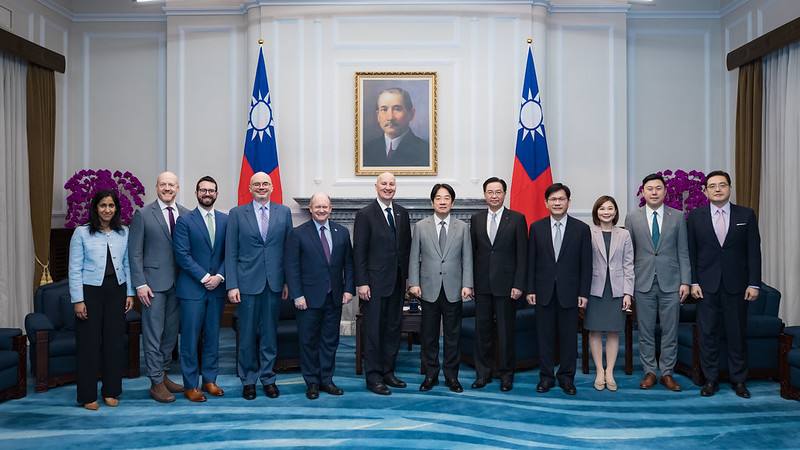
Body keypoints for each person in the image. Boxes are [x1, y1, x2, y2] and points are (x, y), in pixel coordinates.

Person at [688, 170, 761, 399]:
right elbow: (691, 253)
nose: (717, 189)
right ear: (705, 191)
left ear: (730, 188)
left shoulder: (746, 215)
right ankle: (710, 380)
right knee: (708, 334)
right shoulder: (695, 217)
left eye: (722, 185)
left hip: (737, 286)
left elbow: (754, 253)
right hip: (706, 286)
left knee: (736, 333)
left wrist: (754, 283)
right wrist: (693, 281)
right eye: (712, 186)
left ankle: (739, 380)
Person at [225, 172, 292, 400]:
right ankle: (248, 380)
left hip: (274, 283)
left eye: (265, 184)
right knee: (246, 334)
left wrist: (286, 282)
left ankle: (268, 378)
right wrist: (232, 285)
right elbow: (230, 252)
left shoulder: (284, 212)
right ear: (250, 188)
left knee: (269, 334)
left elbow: (287, 251)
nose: (261, 187)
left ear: (272, 187)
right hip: (246, 284)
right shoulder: (236, 214)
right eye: (257, 184)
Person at [68, 190, 134, 410]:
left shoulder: (124, 232)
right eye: (103, 205)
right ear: (95, 208)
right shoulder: (82, 233)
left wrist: (130, 293)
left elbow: (127, 265)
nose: (107, 210)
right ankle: (87, 395)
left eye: (111, 206)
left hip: (117, 290)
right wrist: (78, 300)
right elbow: (74, 269)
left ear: (116, 208)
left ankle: (111, 390)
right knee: (89, 344)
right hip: (90, 292)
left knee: (114, 343)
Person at [625, 173, 691, 392]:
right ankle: (650, 372)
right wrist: (629, 285)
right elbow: (629, 255)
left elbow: (683, 252)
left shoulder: (678, 217)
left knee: (670, 331)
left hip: (671, 283)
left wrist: (686, 281)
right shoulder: (632, 217)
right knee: (644, 331)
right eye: (649, 188)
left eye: (658, 188)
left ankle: (668, 373)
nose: (654, 192)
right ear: (643, 192)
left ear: (665, 191)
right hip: (642, 283)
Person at [285, 193, 355, 400]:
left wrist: (348, 289)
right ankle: (312, 382)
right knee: (308, 341)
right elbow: (292, 267)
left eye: (325, 207)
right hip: (307, 299)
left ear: (331, 208)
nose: (321, 210)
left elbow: (348, 264)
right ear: (310, 209)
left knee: (330, 341)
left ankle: (327, 379)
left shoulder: (341, 233)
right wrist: (297, 295)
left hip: (334, 297)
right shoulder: (298, 234)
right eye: (317, 207)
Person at [129, 171, 190, 403]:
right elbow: (134, 252)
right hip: (152, 285)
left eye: (171, 185)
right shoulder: (143, 215)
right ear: (156, 187)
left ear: (177, 188)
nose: (167, 188)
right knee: (153, 334)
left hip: (180, 284)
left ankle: (163, 374)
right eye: (163, 184)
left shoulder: (185, 214)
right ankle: (155, 382)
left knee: (171, 334)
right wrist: (140, 283)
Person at [526, 183, 591, 396]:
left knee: (568, 339)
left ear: (568, 202)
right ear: (546, 203)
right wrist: (530, 289)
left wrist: (583, 293)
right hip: (543, 292)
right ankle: (546, 377)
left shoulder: (581, 229)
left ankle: (566, 378)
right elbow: (531, 262)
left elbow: (586, 265)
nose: (557, 203)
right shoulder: (536, 228)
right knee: (544, 338)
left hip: (570, 293)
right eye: (553, 199)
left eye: (561, 199)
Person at [408, 183, 473, 393]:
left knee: (453, 336)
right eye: (438, 198)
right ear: (432, 202)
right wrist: (414, 283)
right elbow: (413, 258)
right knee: (429, 336)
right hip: (428, 289)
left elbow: (467, 259)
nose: (442, 201)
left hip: (454, 288)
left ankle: (452, 377)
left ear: (452, 202)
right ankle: (430, 375)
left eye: (446, 198)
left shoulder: (462, 227)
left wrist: (467, 284)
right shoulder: (420, 226)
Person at [353, 172, 412, 395]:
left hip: (397, 282)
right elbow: (359, 251)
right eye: (384, 184)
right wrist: (362, 282)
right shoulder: (365, 214)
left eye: (391, 184)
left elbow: (405, 249)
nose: (388, 187)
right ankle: (374, 376)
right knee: (373, 330)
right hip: (373, 284)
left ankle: (388, 371)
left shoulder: (402, 213)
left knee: (392, 328)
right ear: (376, 187)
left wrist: (407, 279)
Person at [172, 176, 228, 402]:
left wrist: (220, 276)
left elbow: (230, 253)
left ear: (216, 193)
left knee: (213, 337)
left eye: (211, 190)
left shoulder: (226, 220)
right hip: (192, 290)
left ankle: (210, 380)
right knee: (190, 339)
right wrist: (206, 277)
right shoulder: (185, 221)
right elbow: (182, 255)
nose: (207, 193)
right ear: (196, 193)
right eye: (203, 190)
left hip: (217, 290)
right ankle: (190, 384)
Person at [469, 177, 527, 392]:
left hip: (507, 286)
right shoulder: (476, 219)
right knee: (482, 331)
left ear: (505, 194)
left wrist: (519, 284)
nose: (494, 196)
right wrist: (470, 283)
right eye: (490, 192)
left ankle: (506, 374)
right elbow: (472, 254)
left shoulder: (518, 219)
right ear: (485, 195)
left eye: (498, 192)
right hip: (482, 285)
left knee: (505, 332)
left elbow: (523, 255)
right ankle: (482, 374)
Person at [586, 195, 634, 392]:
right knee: (595, 330)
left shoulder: (624, 235)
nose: (606, 212)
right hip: (594, 289)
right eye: (602, 208)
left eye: (610, 208)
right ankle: (599, 370)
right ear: (596, 212)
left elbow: (628, 265)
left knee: (614, 331)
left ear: (616, 212)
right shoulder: (588, 232)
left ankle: (610, 371)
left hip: (617, 289)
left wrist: (627, 293)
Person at [363, 87, 430, 167]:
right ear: (378, 116)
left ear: (411, 114)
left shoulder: (425, 151)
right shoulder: (366, 150)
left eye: (397, 109)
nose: (390, 117)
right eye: (384, 110)